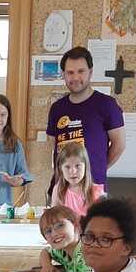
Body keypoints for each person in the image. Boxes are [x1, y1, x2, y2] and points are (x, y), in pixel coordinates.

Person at [46, 46, 125, 195]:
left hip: (92, 191)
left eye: (81, 71)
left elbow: (119, 145)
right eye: (70, 72)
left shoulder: (107, 105)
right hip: (60, 189)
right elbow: (52, 143)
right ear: (64, 74)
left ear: (91, 72)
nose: (75, 77)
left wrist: (97, 168)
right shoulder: (57, 108)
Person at [38, 205, 91, 272]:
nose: (54, 234)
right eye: (48, 231)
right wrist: (47, 265)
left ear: (76, 224)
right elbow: (45, 251)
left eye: (60, 225)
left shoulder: (86, 254)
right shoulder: (62, 250)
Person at [51, 141, 105, 217]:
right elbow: (54, 217)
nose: (73, 171)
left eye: (77, 166)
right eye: (67, 167)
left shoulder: (96, 192)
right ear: (61, 169)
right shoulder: (58, 190)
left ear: (85, 167)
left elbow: (102, 219)